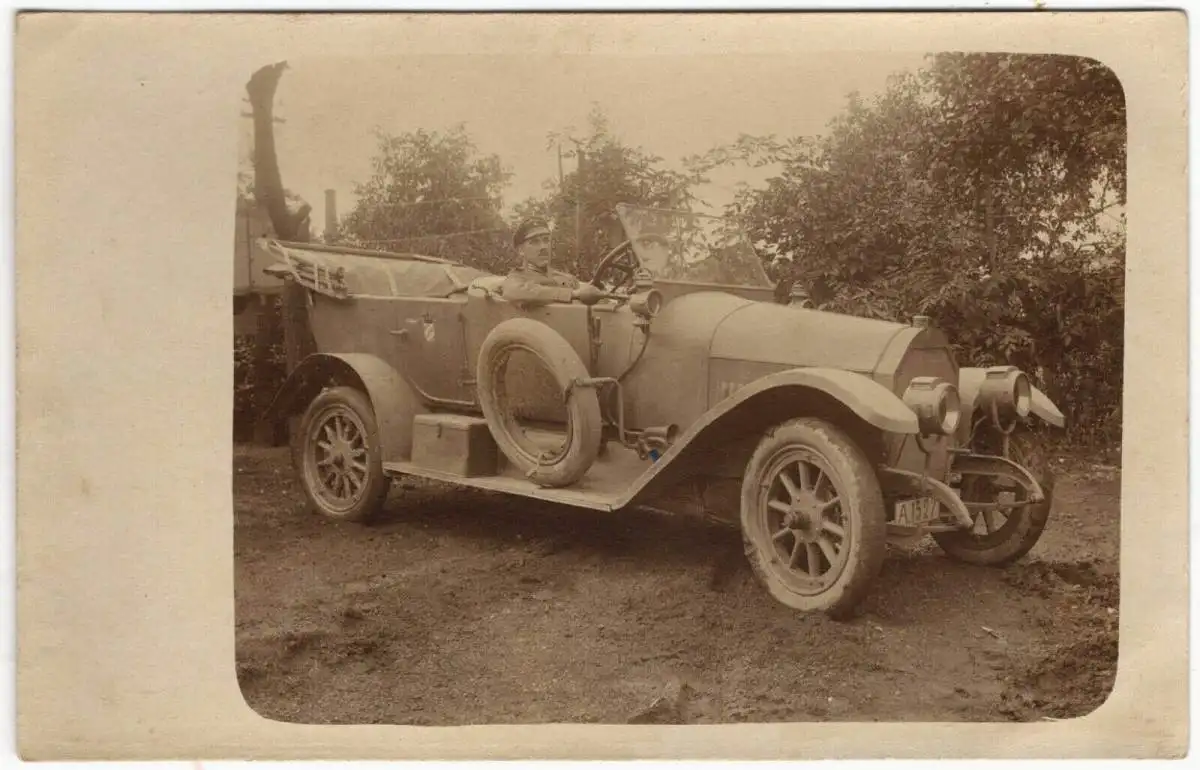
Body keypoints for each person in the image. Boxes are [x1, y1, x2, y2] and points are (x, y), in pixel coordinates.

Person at [501, 217, 605, 308]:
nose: (543, 247)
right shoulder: (517, 277)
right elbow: (514, 292)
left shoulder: (565, 277)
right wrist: (572, 294)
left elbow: (585, 291)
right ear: (521, 251)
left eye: (546, 240)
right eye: (535, 242)